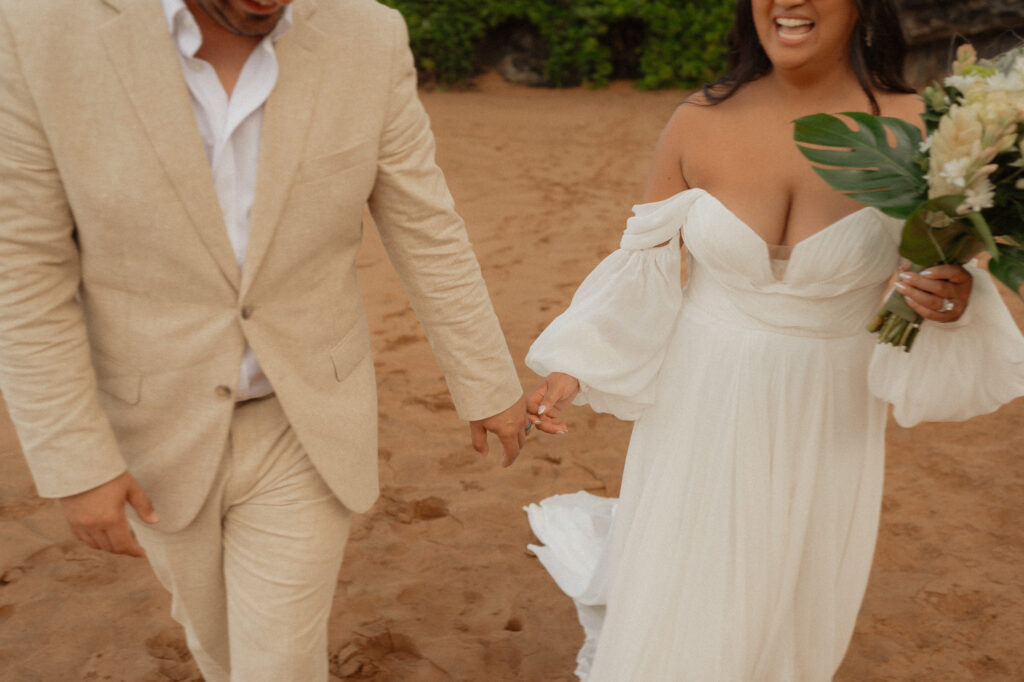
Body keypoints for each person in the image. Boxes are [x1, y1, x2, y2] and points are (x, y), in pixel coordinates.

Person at [0, 0, 531, 680]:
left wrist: (487, 384)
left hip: (305, 418)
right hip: (150, 429)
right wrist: (75, 462)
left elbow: (426, 227)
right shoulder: (38, 30)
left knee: (277, 665)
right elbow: (22, 267)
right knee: (218, 651)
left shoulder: (368, 34)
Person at [523, 0, 1024, 679]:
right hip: (697, 406)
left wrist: (950, 300)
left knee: (791, 609)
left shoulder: (922, 132)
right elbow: (643, 270)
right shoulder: (698, 122)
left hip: (828, 415)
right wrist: (571, 371)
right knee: (681, 595)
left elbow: (935, 271)